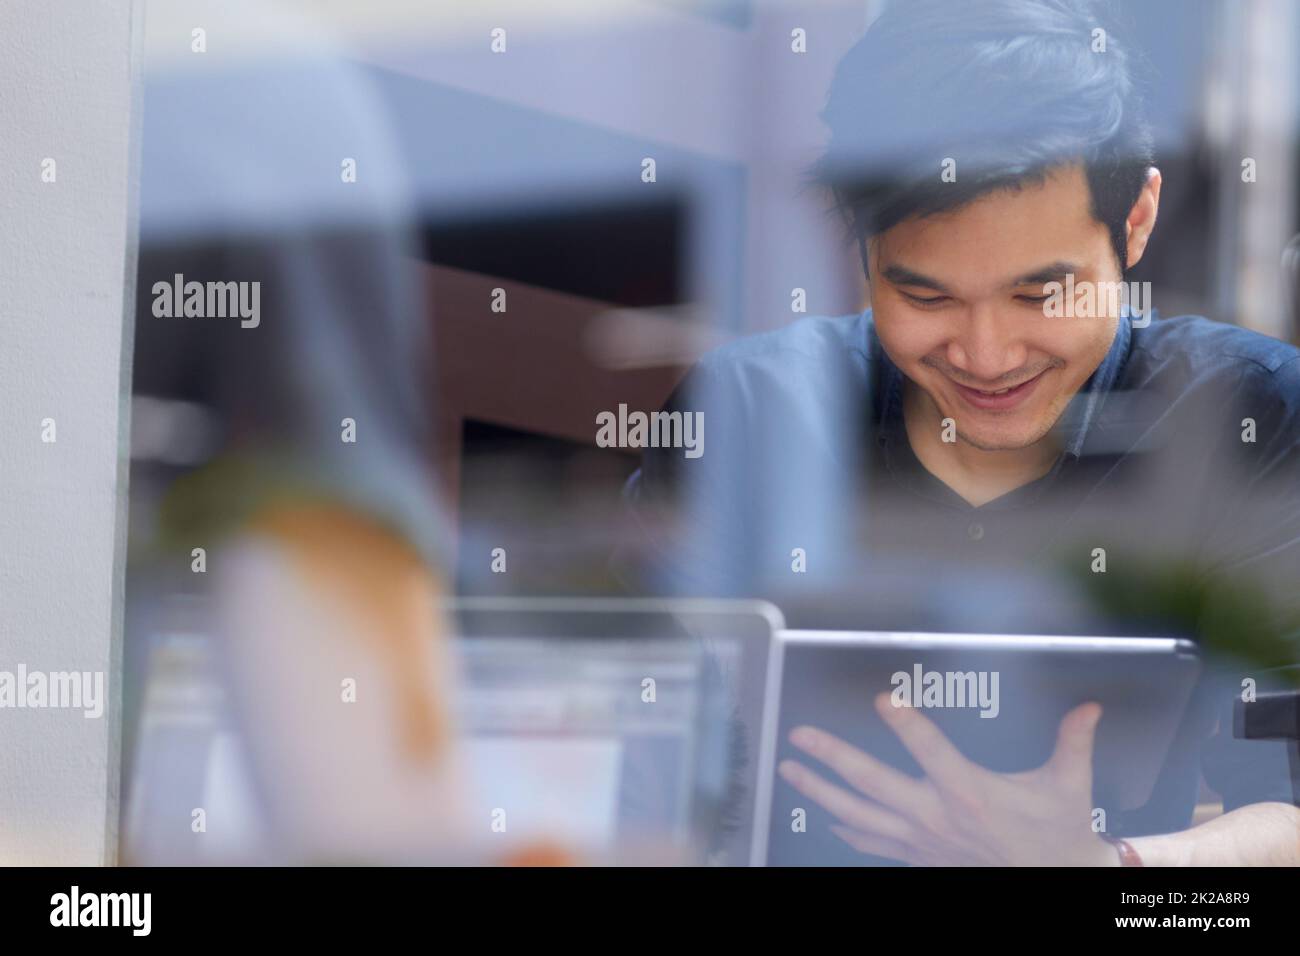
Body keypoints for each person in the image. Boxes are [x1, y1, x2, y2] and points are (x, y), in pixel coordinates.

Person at [625, 0, 1300, 865]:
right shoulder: (751, 409)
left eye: (1039, 294)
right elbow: (639, 759)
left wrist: (1108, 869)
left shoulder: (1251, 412)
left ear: (1135, 223)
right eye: (927, 297)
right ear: (860, 252)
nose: (986, 356)